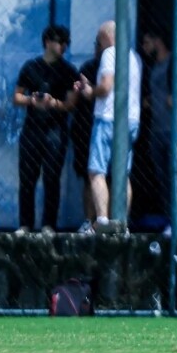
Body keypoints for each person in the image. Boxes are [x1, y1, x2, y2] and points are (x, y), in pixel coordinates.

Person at [76, 21, 143, 233]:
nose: (97, 45)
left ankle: (103, 220)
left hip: (108, 117)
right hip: (130, 119)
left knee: (96, 171)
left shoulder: (109, 54)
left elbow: (105, 87)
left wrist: (89, 91)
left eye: (98, 40)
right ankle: (122, 222)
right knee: (122, 174)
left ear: (105, 37)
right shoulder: (134, 56)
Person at [12, 24, 79, 235]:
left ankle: (48, 224)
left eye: (66, 43)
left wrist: (53, 103)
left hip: (55, 131)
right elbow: (17, 96)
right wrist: (31, 100)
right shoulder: (30, 67)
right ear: (48, 42)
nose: (63, 46)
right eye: (60, 42)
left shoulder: (68, 71)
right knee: (27, 178)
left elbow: (71, 104)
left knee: (51, 178)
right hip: (32, 129)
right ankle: (25, 224)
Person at [140, 28, 177, 224]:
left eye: (147, 42)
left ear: (158, 41)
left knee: (176, 177)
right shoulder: (154, 66)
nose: (144, 47)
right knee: (163, 179)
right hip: (157, 130)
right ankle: (170, 220)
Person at [70, 36, 105, 235]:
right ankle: (89, 220)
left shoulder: (116, 67)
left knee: (107, 177)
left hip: (104, 125)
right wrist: (81, 89)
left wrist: (90, 90)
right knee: (88, 176)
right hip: (85, 126)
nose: (96, 49)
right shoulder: (88, 67)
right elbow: (75, 98)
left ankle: (107, 220)